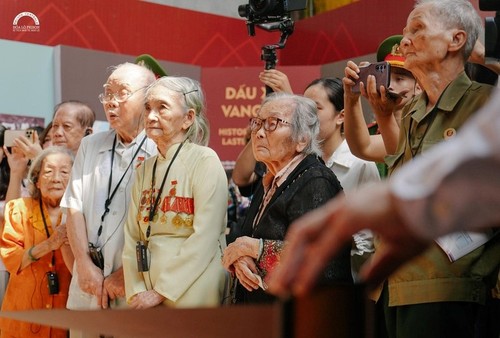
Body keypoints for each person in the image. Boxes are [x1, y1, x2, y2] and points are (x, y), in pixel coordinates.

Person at [276, 1, 498, 337]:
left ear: (456, 40)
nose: (404, 40)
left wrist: (483, 52)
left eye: (417, 29)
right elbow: (377, 153)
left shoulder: (485, 103)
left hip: (452, 288)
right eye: (406, 31)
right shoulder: (411, 114)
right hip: (395, 284)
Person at [268, 87, 500, 294]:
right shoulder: (414, 112)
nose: (408, 41)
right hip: (400, 278)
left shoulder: (479, 97)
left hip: (450, 276)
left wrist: (408, 197)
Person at [222, 93, 352, 304]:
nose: (259, 133)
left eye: (273, 123)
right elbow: (250, 241)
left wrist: (252, 248)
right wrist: (241, 259)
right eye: (257, 123)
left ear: (302, 139)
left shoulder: (315, 180)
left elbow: (320, 255)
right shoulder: (271, 180)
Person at [61, 63, 157, 324]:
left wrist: (127, 273)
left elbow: (165, 229)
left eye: (122, 93)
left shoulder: (163, 151)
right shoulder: (90, 145)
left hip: (137, 286)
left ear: (149, 97)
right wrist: (83, 264)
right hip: (88, 283)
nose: (111, 102)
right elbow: (74, 207)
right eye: (108, 93)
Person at [122, 76, 228, 308]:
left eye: (162, 107)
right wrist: (137, 291)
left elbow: (206, 236)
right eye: (148, 107)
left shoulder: (205, 160)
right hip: (146, 287)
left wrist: (161, 291)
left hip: (193, 286)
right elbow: (132, 236)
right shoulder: (145, 169)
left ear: (188, 118)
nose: (150, 116)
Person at [0, 147, 74, 338]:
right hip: (22, 317)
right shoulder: (18, 209)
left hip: (64, 317)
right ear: (37, 180)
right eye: (48, 171)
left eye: (65, 172)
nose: (56, 178)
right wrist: (48, 245)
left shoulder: (81, 215)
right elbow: (11, 260)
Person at [343, 35, 421, 164]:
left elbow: (405, 162)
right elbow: (363, 148)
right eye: (386, 78)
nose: (389, 85)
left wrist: (384, 114)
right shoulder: (382, 126)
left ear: (419, 86)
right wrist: (351, 97)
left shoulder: (424, 125)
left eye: (399, 79)